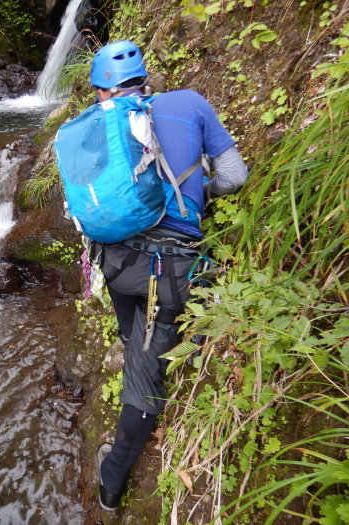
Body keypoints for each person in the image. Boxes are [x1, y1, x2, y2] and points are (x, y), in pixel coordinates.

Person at [88, 40, 248, 511]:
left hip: (116, 262)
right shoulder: (190, 102)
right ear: (147, 79)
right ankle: (111, 488)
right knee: (145, 377)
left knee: (132, 328)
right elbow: (235, 176)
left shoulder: (100, 126)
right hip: (169, 268)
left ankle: (131, 350)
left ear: (101, 90)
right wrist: (198, 193)